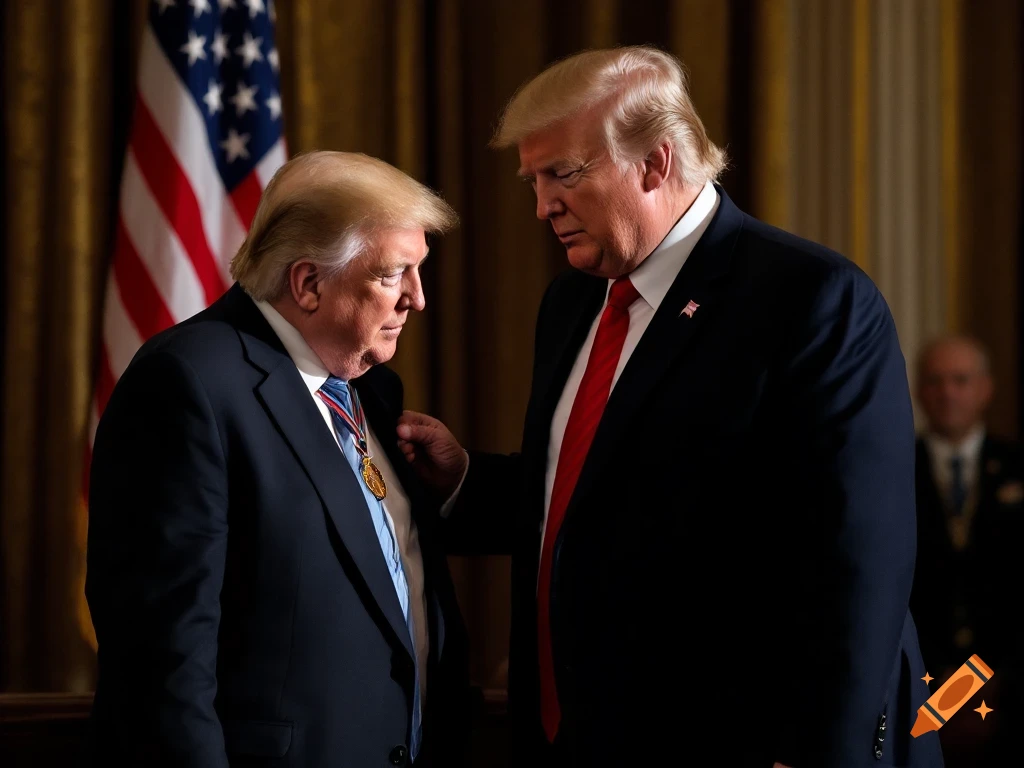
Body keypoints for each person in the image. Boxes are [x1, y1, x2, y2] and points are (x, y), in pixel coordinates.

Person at [397, 46, 943, 767]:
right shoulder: (571, 300)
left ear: (655, 164)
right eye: (532, 181)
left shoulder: (810, 300)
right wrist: (469, 480)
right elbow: (602, 494)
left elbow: (860, 558)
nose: (541, 206)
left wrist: (818, 753)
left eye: (562, 174)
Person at [85, 151, 471, 767]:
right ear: (308, 283)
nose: (417, 300)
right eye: (393, 274)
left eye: (418, 271)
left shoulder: (371, 388)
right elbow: (162, 662)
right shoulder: (189, 384)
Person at [911, 334, 1022, 766]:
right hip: (923, 689)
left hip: (1010, 691)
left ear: (986, 388)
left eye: (960, 380)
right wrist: (947, 691)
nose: (948, 393)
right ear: (920, 391)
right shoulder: (893, 472)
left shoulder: (1016, 465)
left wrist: (992, 680)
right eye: (936, 381)